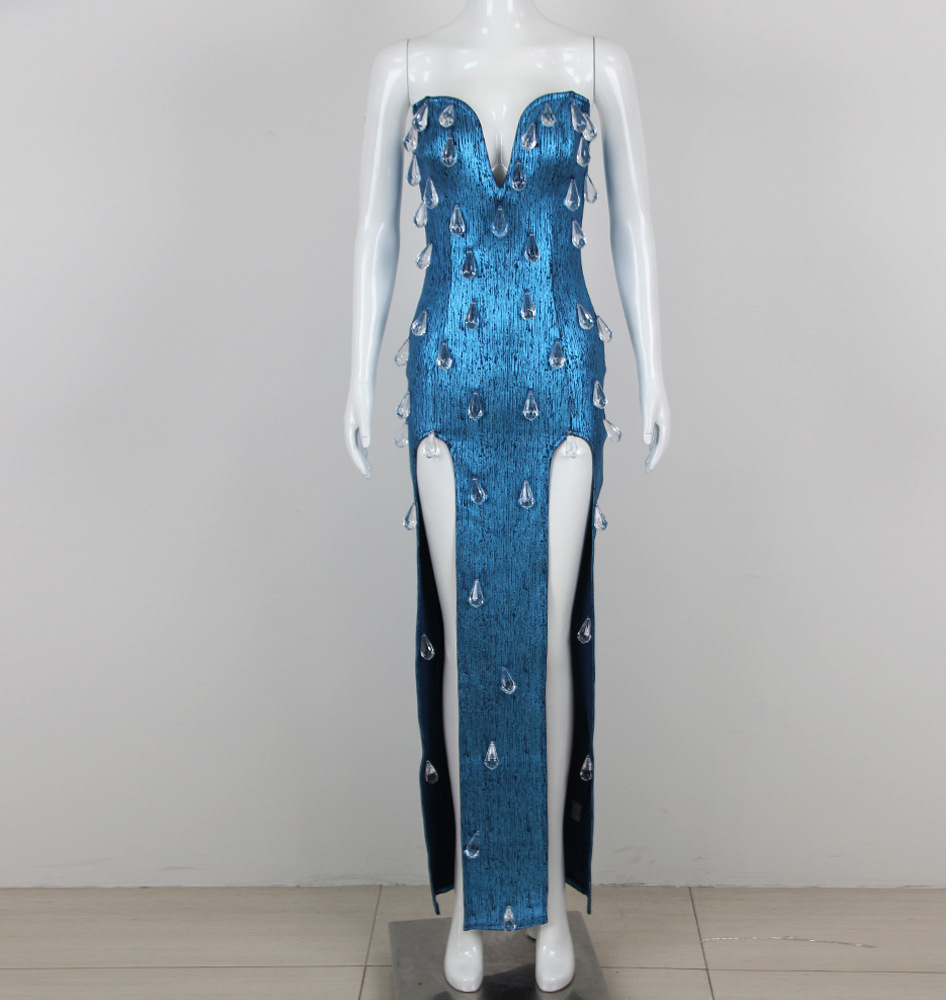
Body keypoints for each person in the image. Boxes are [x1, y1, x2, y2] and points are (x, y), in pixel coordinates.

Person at [345, 2, 669, 991]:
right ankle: (474, 910)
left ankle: (549, 903)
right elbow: (374, 234)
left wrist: (657, 372)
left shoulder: (597, 63)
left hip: (560, 376)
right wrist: (354, 377)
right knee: (467, 642)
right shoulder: (402, 66)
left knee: (545, 638)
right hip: (446, 382)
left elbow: (634, 225)